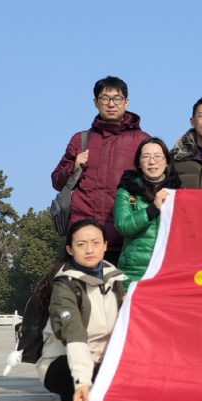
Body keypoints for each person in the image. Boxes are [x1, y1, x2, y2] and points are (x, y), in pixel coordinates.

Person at [42, 219, 126, 401]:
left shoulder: (115, 278)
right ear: (70, 249)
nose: (89, 249)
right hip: (63, 360)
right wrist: (83, 380)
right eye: (81, 244)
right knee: (72, 375)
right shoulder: (64, 285)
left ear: (105, 245)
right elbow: (74, 334)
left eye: (95, 242)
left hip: (102, 359)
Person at [51, 77, 149, 262]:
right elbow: (57, 181)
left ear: (126, 102)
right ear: (96, 102)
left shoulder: (142, 141)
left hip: (124, 240)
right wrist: (73, 167)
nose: (111, 104)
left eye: (117, 98)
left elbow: (155, 184)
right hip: (83, 238)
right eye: (105, 98)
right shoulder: (81, 139)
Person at [114, 139, 180, 283]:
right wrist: (152, 209)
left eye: (157, 156)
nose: (152, 161)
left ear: (167, 161)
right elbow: (123, 226)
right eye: (146, 157)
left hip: (168, 269)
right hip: (134, 270)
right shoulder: (127, 190)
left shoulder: (178, 192)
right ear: (139, 162)